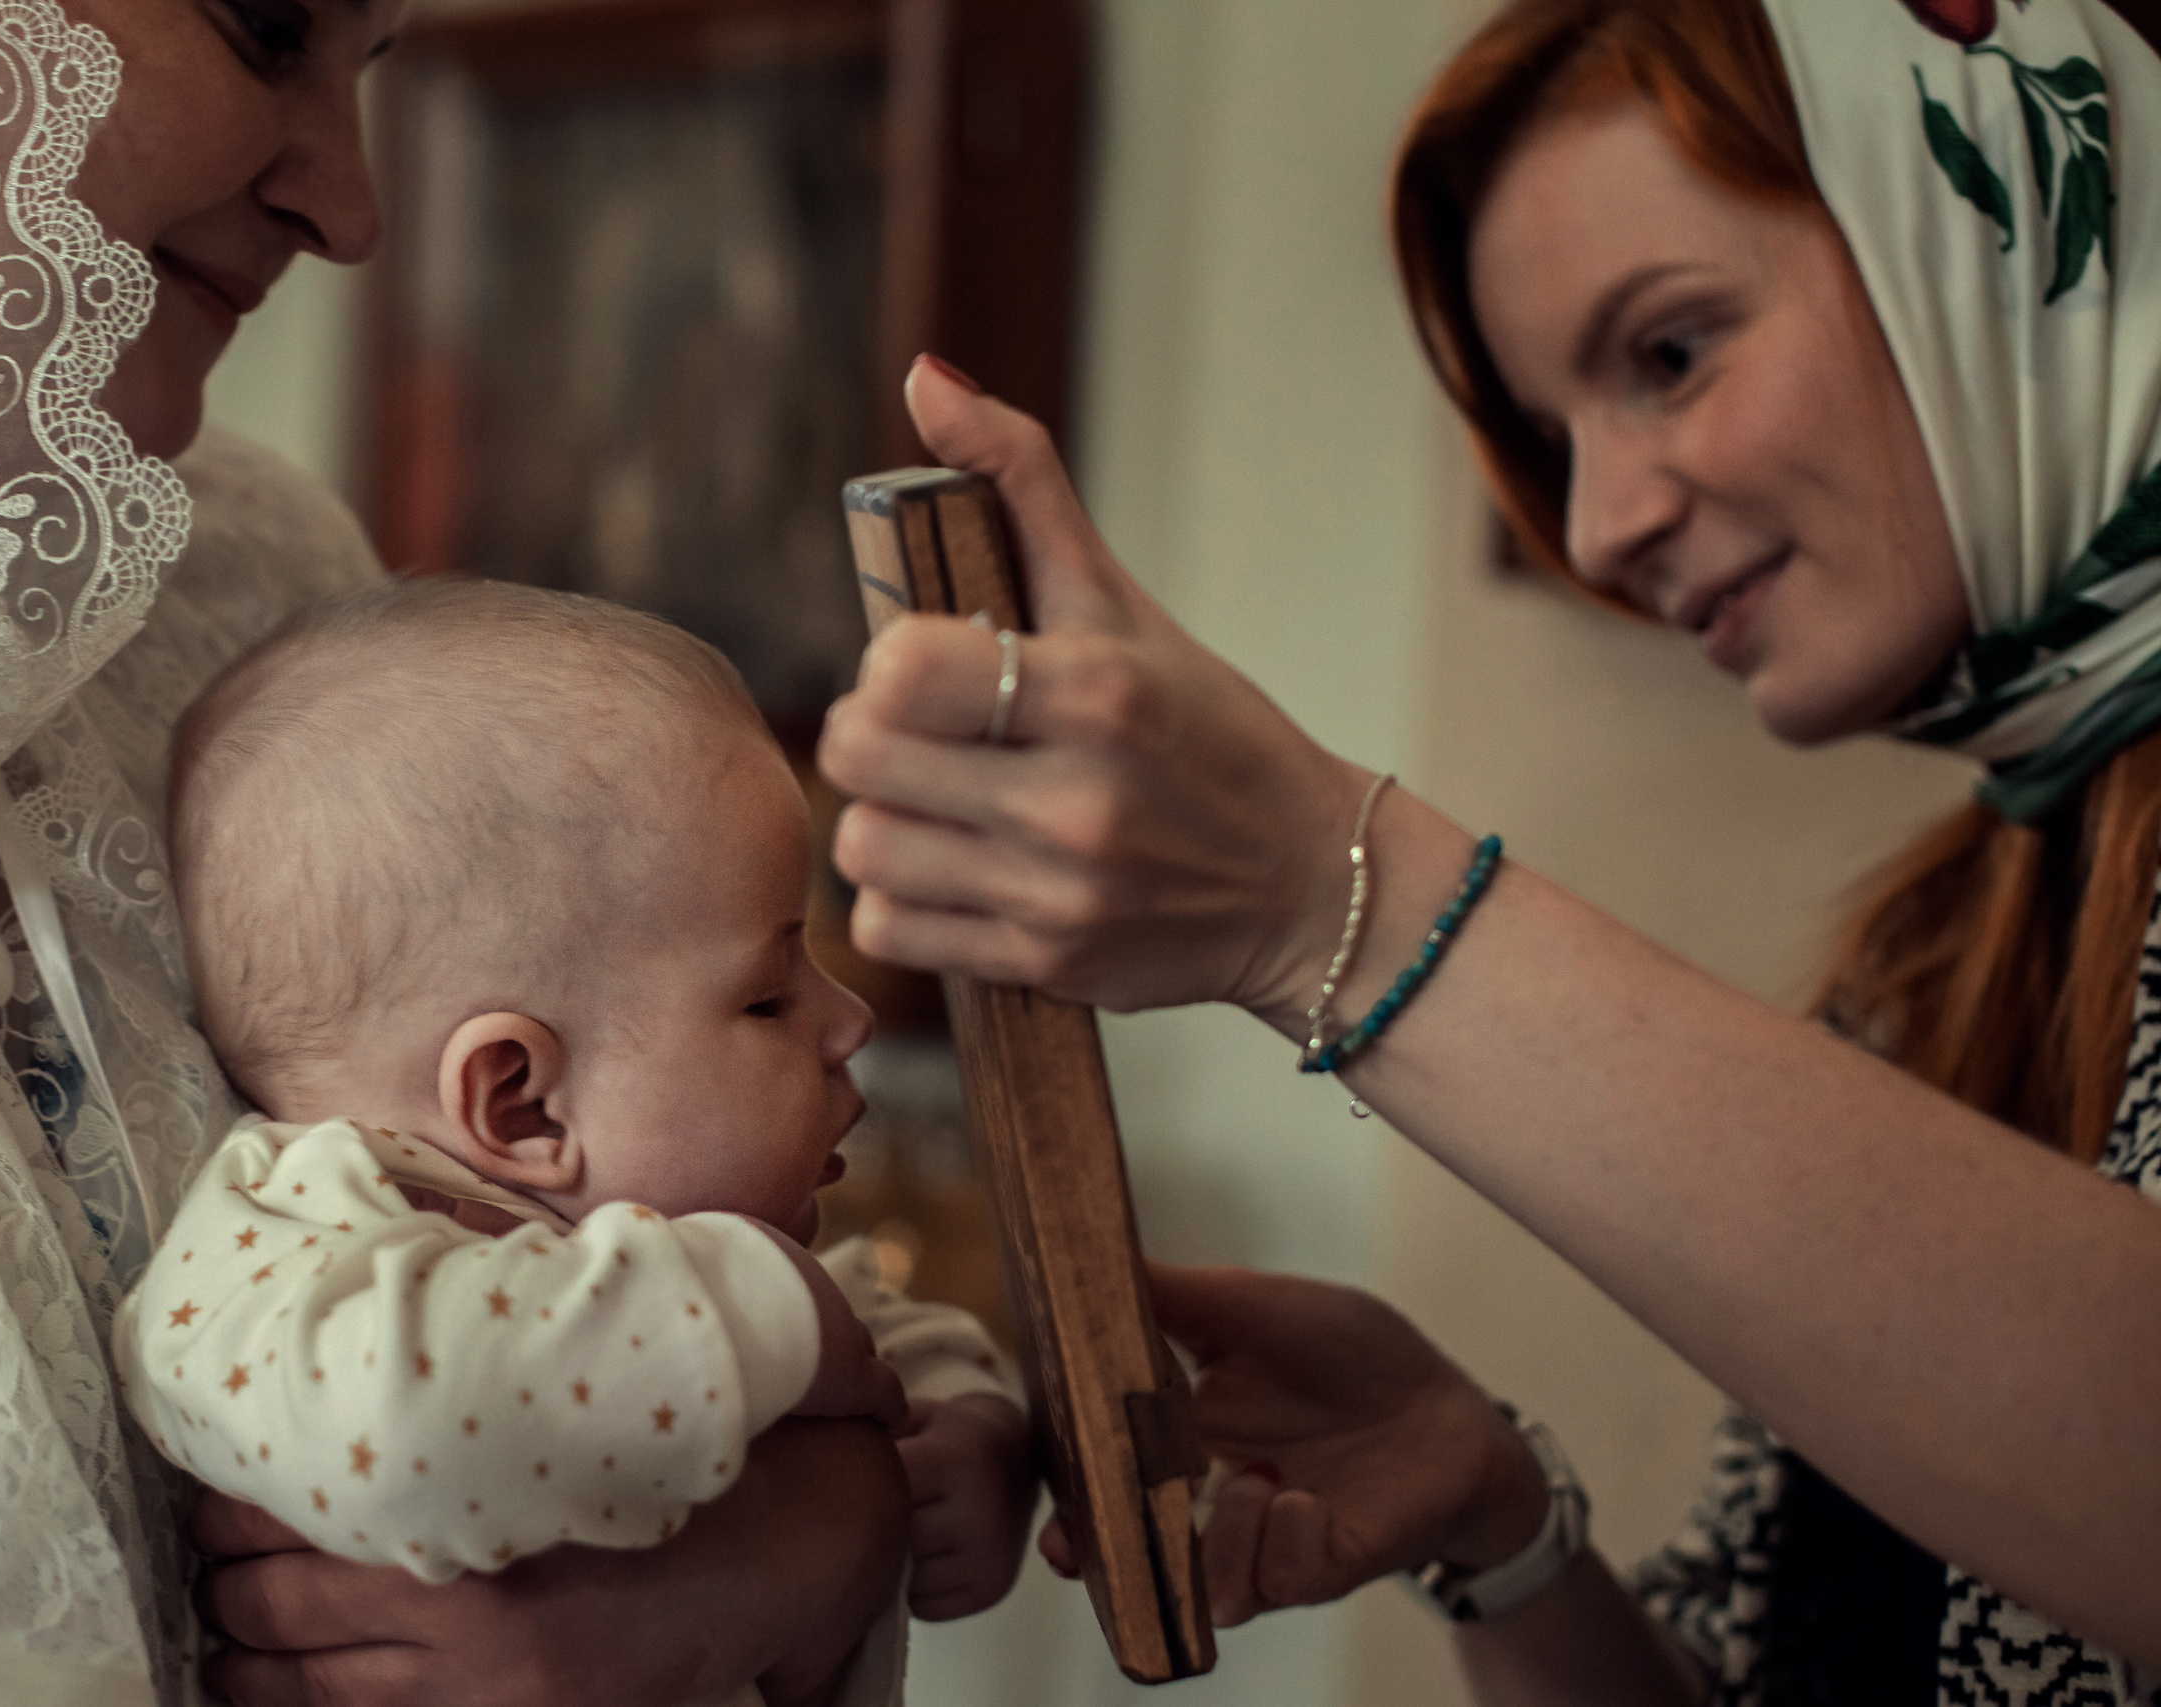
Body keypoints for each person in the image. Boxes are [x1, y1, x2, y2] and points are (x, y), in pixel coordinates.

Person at [817, 0, 2161, 1699]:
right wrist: (1496, 1515)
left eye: (1667, 353)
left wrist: (1329, 893)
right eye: (1555, 432)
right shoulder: (1942, 950)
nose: (1602, 526)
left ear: (2007, 221)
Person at [0, 2, 917, 1701]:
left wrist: (818, 1536)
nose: (353, 215)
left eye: (369, 69)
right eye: (267, 24)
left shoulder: (236, 594)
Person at [116, 578, 1035, 1707]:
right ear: (520, 1104)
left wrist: (975, 1447)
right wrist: (759, 1316)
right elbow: (412, 1425)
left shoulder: (682, 1262)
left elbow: (871, 1338)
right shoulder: (298, 1242)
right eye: (764, 996)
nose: (848, 1024)